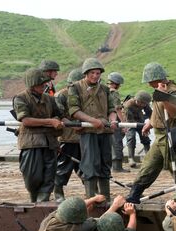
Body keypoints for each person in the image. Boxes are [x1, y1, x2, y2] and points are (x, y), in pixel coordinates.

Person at [126, 62, 176, 204]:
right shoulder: (159, 90)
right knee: (149, 165)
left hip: (175, 134)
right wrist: (150, 122)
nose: (149, 84)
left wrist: (164, 97)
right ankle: (134, 196)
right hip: (160, 135)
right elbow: (158, 110)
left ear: (157, 78)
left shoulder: (174, 92)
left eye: (150, 81)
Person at [13, 68, 65, 202]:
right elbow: (26, 120)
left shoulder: (49, 99)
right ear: (32, 84)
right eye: (41, 84)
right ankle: (35, 200)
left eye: (45, 83)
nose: (44, 86)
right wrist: (50, 121)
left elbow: (60, 115)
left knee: (49, 176)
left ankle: (43, 201)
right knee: (32, 177)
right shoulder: (20, 98)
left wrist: (65, 123)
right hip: (31, 143)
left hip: (50, 143)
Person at [68, 58, 117, 200]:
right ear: (86, 73)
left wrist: (113, 120)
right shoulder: (75, 88)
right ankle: (91, 197)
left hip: (105, 131)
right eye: (92, 73)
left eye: (98, 73)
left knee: (105, 164)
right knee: (90, 165)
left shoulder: (105, 89)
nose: (95, 76)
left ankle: (106, 197)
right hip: (88, 131)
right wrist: (92, 121)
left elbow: (112, 109)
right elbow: (74, 110)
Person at [53, 68, 84, 202]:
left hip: (83, 137)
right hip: (67, 137)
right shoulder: (61, 96)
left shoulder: (83, 94)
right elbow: (59, 116)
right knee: (64, 167)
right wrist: (72, 125)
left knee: (85, 166)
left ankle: (91, 189)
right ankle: (58, 191)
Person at [107, 72, 129, 173]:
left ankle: (112, 165)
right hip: (115, 119)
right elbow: (117, 109)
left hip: (107, 120)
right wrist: (124, 123)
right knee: (117, 142)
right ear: (116, 83)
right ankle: (117, 167)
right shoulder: (114, 92)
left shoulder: (104, 90)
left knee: (111, 143)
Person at [123, 91, 152, 168]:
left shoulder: (144, 103)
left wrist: (150, 124)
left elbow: (150, 114)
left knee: (145, 137)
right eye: (143, 104)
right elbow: (129, 119)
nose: (144, 105)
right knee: (131, 138)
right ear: (138, 101)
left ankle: (148, 158)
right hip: (129, 122)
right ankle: (131, 158)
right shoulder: (128, 105)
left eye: (145, 104)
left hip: (140, 120)